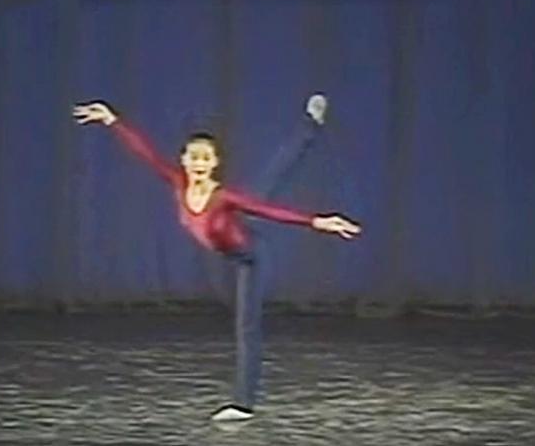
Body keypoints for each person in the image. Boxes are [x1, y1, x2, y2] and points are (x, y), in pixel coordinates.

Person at [72, 94, 361, 421]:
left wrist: (316, 221)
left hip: (250, 256)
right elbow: (146, 154)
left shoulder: (224, 196)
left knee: (247, 326)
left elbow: (269, 211)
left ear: (214, 163)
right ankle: (309, 127)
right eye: (193, 157)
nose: (199, 163)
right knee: (268, 181)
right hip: (234, 226)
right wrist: (112, 120)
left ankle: (243, 404)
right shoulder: (178, 183)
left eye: (205, 158)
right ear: (183, 160)